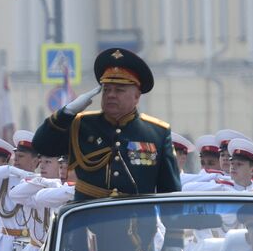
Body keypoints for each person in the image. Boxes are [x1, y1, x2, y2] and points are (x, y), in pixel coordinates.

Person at [31, 47, 180, 201]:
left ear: (136, 96)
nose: (111, 95)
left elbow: (169, 193)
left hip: (138, 220)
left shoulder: (157, 133)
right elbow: (42, 145)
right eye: (106, 90)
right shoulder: (81, 125)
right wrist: (67, 112)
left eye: (119, 90)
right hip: (89, 219)